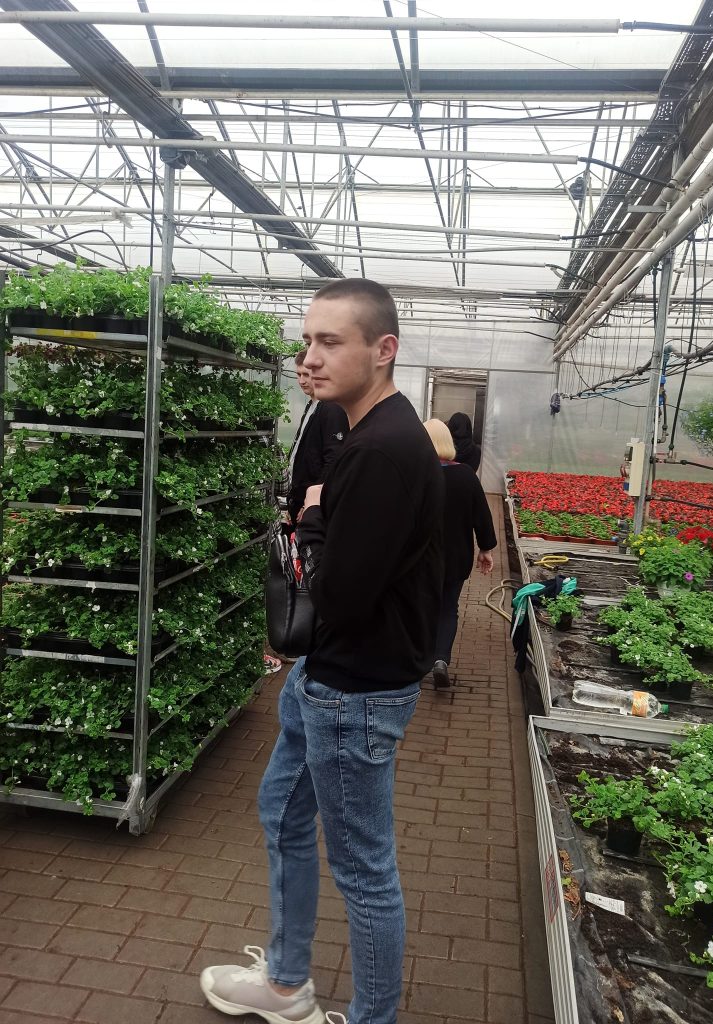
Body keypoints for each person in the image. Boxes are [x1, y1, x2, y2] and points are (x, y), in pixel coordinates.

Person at [201, 280, 444, 1024]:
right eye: (307, 341)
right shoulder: (368, 431)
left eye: (331, 341)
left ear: (383, 349)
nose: (311, 356)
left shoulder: (379, 451)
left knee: (364, 870)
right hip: (330, 675)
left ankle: (371, 1016)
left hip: (355, 689)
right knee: (280, 811)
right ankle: (285, 984)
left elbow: (338, 594)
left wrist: (312, 518)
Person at [423, 418, 496, 689]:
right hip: (456, 557)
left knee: (420, 608)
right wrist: (485, 548)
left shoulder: (414, 474)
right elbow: (482, 515)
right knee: (448, 608)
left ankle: (417, 661)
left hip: (420, 560)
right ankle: (440, 659)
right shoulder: (465, 475)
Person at [286, 350, 348, 525]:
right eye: (298, 374)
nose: (301, 381)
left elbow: (333, 460)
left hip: (312, 502)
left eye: (306, 375)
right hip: (300, 499)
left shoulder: (332, 408)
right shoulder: (312, 405)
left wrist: (311, 503)